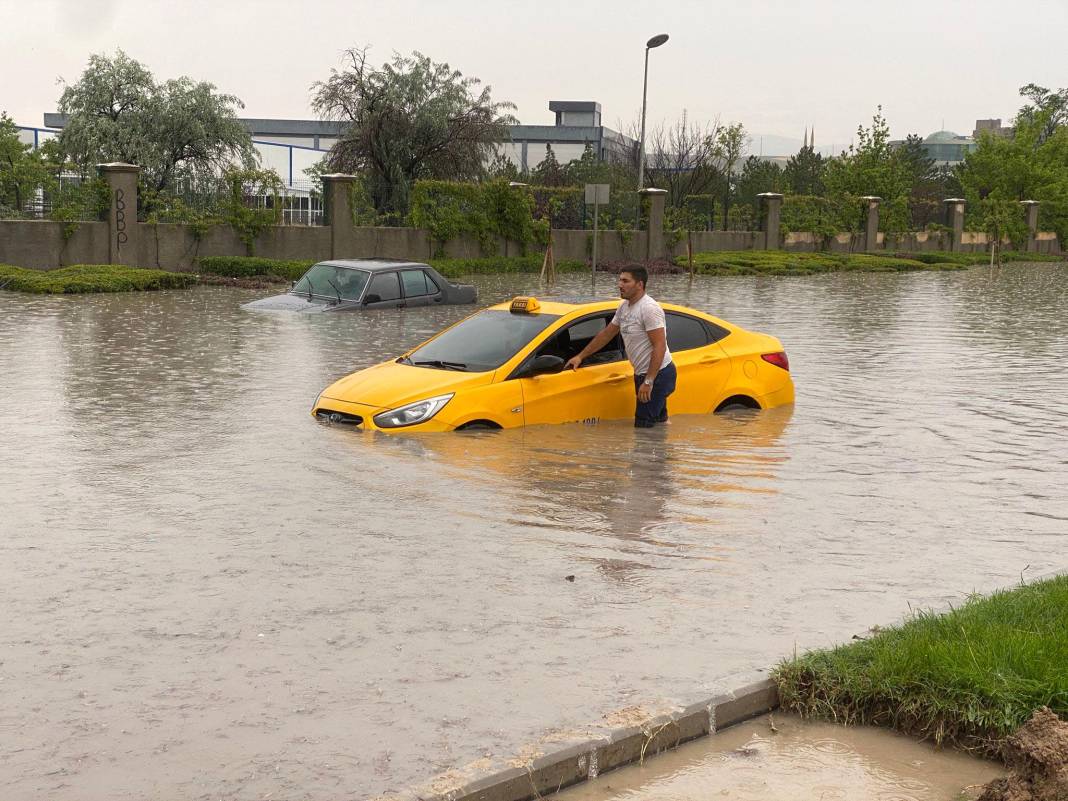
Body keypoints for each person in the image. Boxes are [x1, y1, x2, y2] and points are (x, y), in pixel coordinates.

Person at [565, 267, 676, 428]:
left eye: (625, 281)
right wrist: (580, 356)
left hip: (658, 374)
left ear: (639, 284)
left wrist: (649, 381)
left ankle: (653, 452)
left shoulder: (649, 309)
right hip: (643, 374)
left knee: (643, 429)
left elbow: (659, 345)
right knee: (659, 423)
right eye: (620, 280)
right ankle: (666, 450)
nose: (620, 284)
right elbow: (607, 334)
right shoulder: (624, 307)